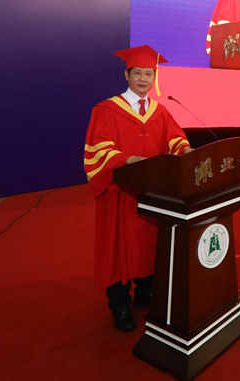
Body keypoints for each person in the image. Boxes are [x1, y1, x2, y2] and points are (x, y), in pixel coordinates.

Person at [83, 45, 191, 333]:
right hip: (120, 193)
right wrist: (129, 160)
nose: (143, 79)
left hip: (152, 194)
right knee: (118, 250)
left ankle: (146, 293)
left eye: (148, 74)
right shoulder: (106, 109)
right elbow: (97, 149)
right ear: (126, 75)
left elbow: (174, 139)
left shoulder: (160, 111)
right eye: (138, 73)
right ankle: (119, 305)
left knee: (149, 246)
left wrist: (185, 149)